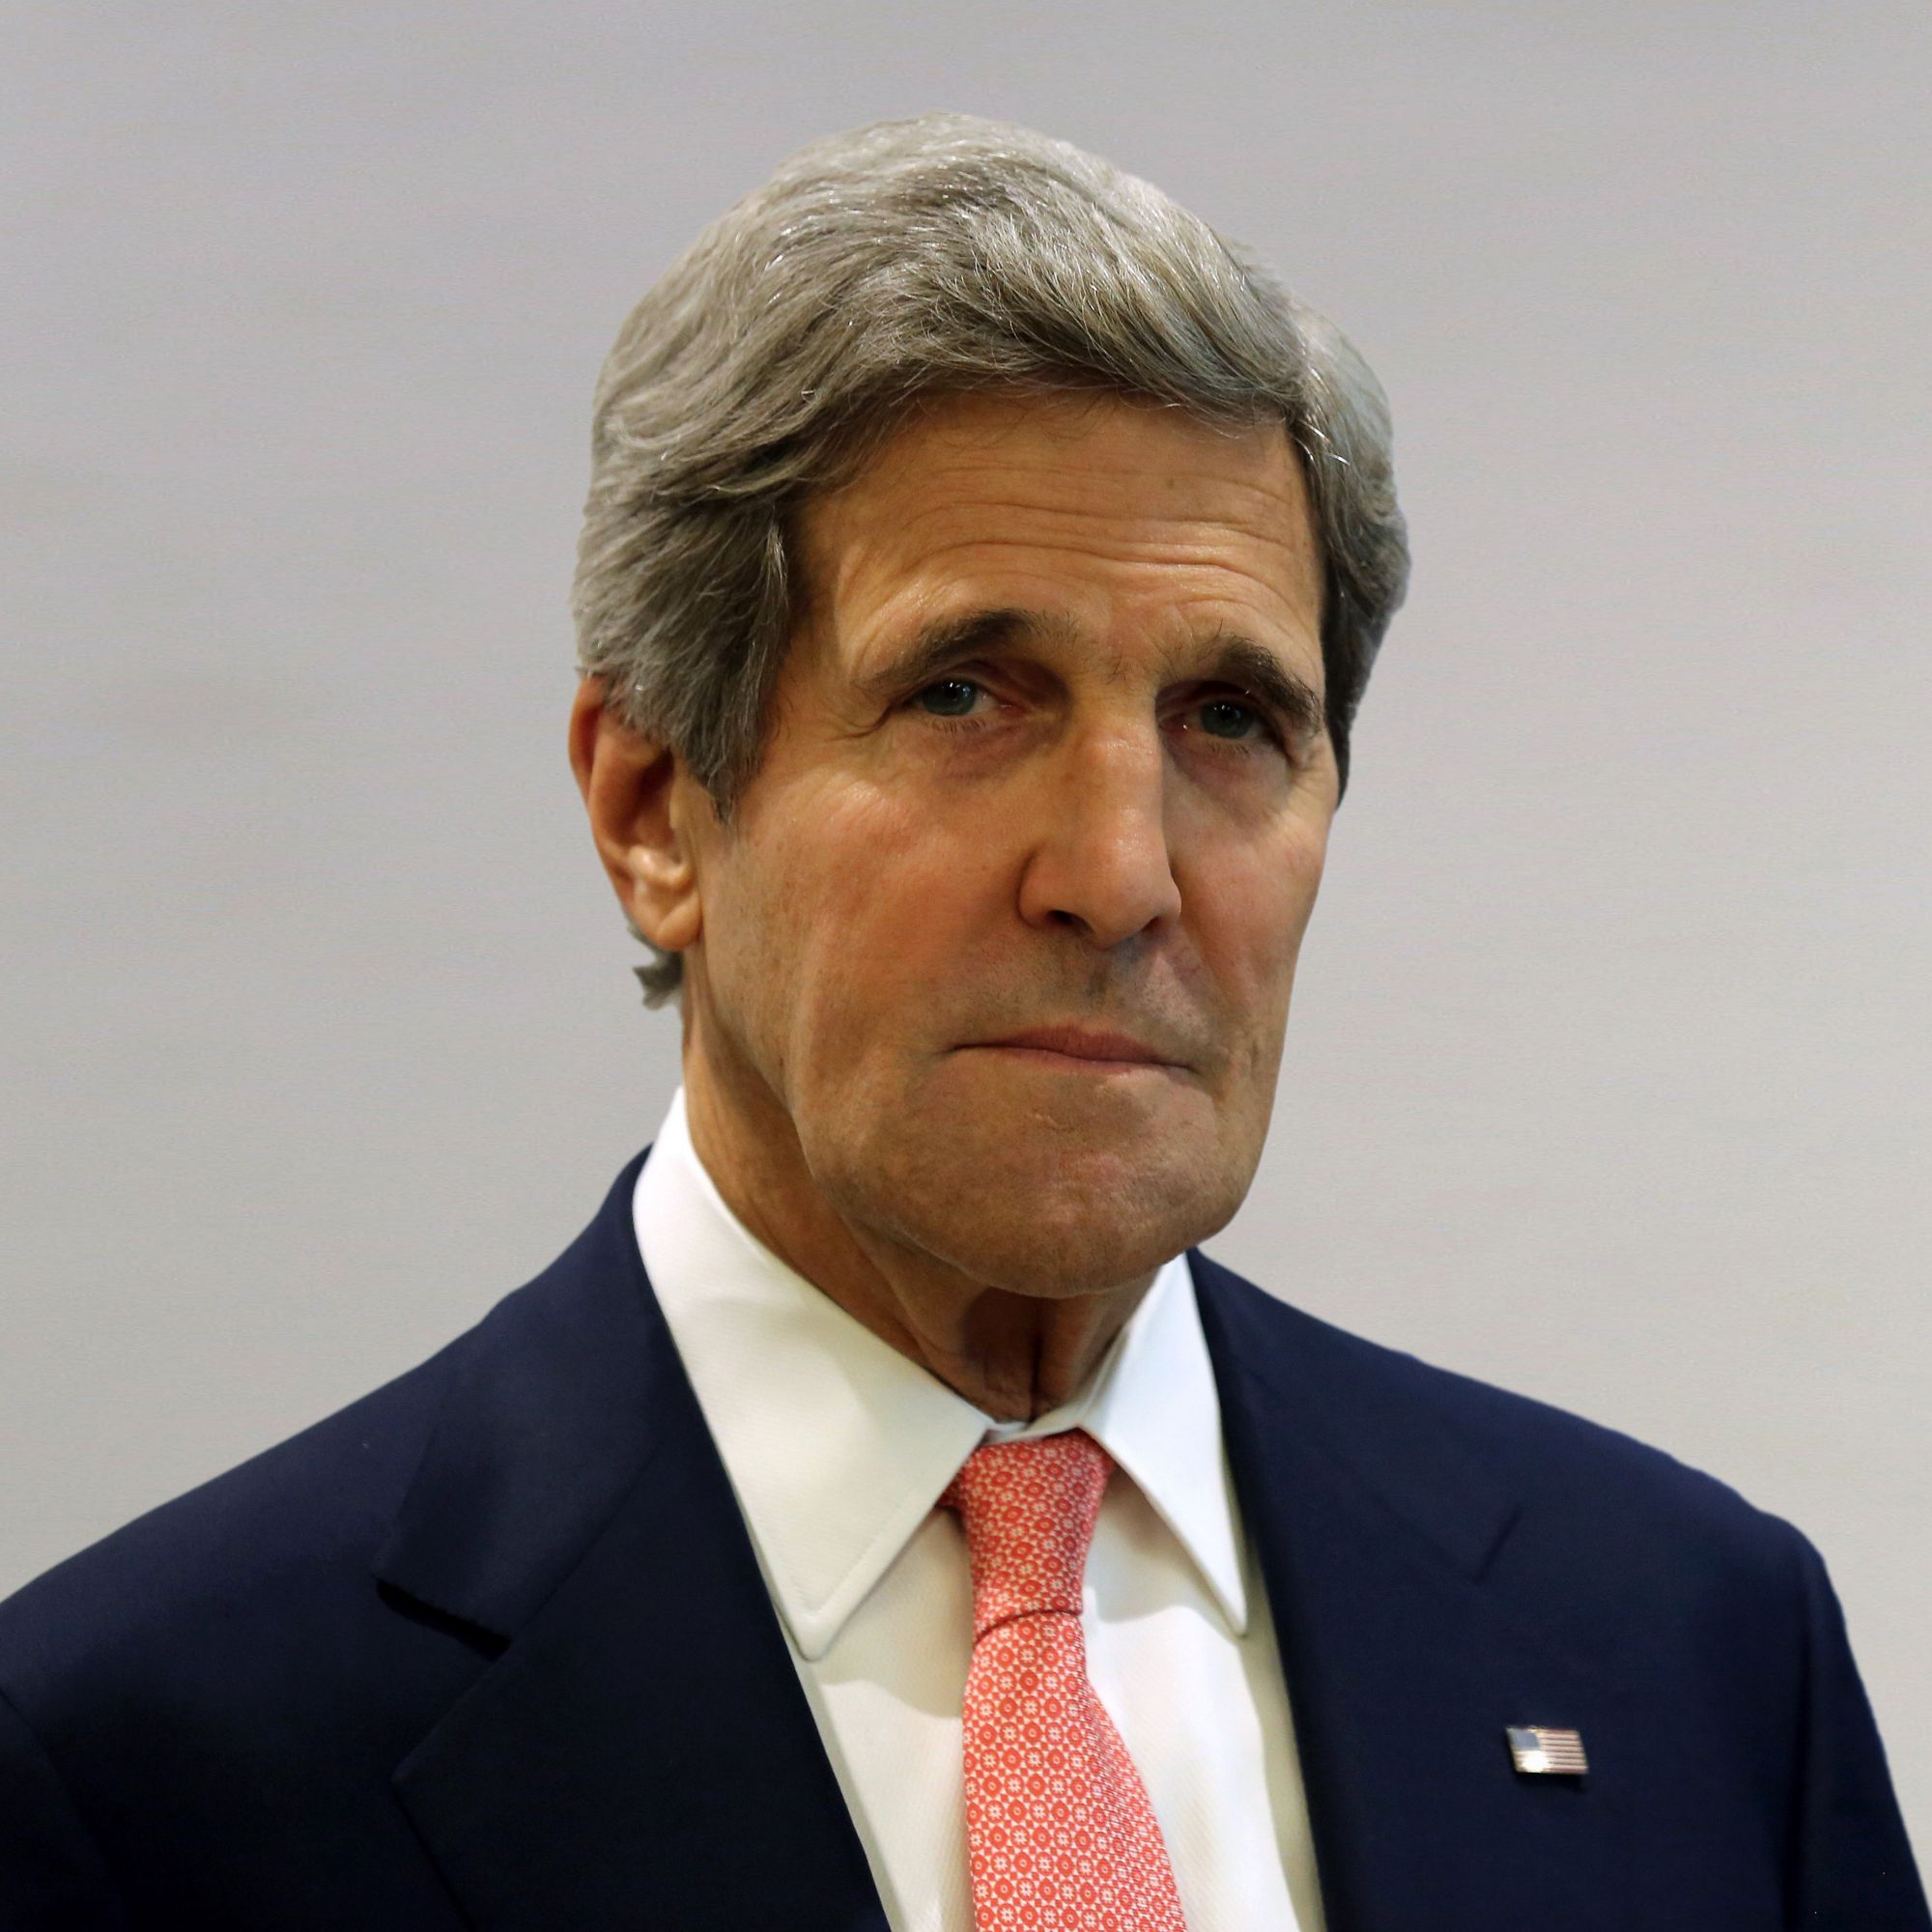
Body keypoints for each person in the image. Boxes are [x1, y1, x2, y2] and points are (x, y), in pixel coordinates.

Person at [0, 112, 1923, 1932]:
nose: (1122, 870)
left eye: (1229, 720)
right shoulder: (141, 1769)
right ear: (653, 808)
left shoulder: (1693, 1652)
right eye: (966, 696)